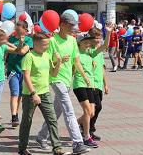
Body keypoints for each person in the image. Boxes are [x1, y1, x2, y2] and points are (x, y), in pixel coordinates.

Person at [36, 13, 90, 155]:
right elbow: (47, 61)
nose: (74, 29)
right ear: (63, 24)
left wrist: (85, 77)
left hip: (67, 80)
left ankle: (41, 136)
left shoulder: (72, 41)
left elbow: (76, 61)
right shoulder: (52, 41)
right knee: (69, 110)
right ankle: (77, 143)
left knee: (56, 111)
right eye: (72, 26)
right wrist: (58, 61)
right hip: (56, 79)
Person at [18, 33, 68, 155]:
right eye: (44, 44)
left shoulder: (47, 55)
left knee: (52, 120)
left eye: (48, 44)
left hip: (45, 93)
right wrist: (33, 93)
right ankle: (22, 148)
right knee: (27, 121)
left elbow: (54, 74)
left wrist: (59, 62)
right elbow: (26, 76)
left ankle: (57, 148)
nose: (47, 46)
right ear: (35, 44)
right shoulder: (29, 57)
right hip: (30, 94)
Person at [74, 26, 111, 148]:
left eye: (88, 41)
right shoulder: (76, 53)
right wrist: (84, 77)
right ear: (80, 42)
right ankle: (86, 136)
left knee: (91, 112)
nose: (88, 43)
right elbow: (75, 66)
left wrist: (109, 33)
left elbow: (104, 46)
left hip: (91, 85)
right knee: (88, 111)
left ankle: (74, 125)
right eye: (86, 41)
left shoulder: (90, 53)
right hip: (80, 84)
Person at [6, 21, 33, 127]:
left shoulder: (29, 40)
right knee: (15, 93)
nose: (16, 31)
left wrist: (20, 44)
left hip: (24, 70)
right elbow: (4, 44)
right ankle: (14, 116)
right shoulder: (11, 38)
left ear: (25, 29)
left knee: (20, 95)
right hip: (12, 70)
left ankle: (16, 113)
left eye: (18, 29)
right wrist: (10, 42)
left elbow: (22, 52)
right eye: (15, 29)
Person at [88, 27, 110, 141]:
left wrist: (105, 84)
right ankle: (86, 128)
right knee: (96, 107)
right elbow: (105, 46)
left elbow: (102, 69)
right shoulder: (90, 51)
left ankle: (88, 128)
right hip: (91, 85)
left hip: (99, 84)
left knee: (96, 108)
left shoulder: (99, 52)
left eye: (99, 37)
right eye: (96, 37)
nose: (98, 39)